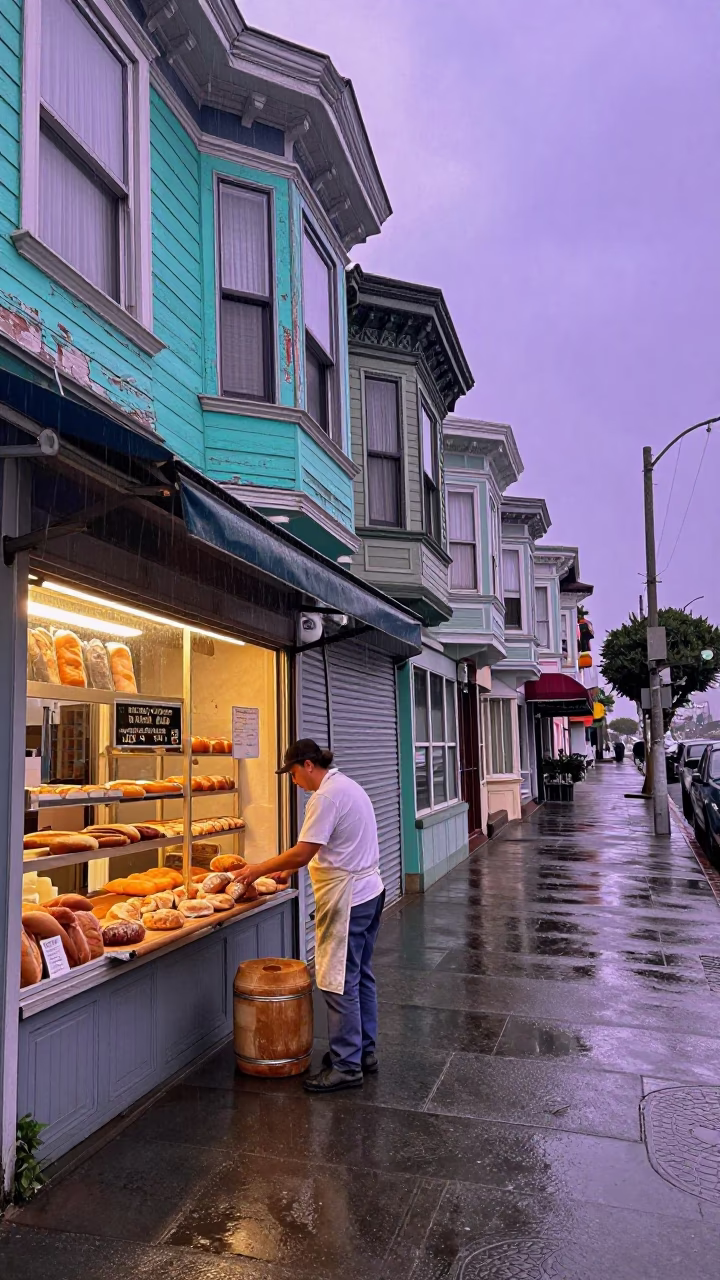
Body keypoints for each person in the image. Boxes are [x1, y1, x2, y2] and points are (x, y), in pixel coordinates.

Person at [235, 739, 385, 1095]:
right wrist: (290, 870)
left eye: (292, 773)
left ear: (307, 765)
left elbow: (304, 851)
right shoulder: (346, 785)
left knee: (337, 981)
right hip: (369, 892)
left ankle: (346, 1066)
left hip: (348, 900)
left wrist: (257, 869)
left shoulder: (326, 797)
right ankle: (363, 1052)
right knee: (360, 976)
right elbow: (330, 846)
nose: (293, 781)